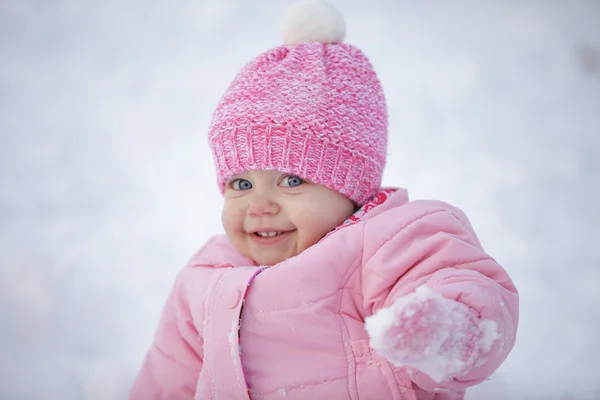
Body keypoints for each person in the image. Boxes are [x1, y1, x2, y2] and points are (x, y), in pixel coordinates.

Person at [129, 1, 519, 399]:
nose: (259, 205)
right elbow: (168, 377)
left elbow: (468, 291)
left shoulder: (388, 245)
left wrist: (443, 330)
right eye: (241, 184)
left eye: (292, 179)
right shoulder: (206, 273)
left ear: (350, 186)